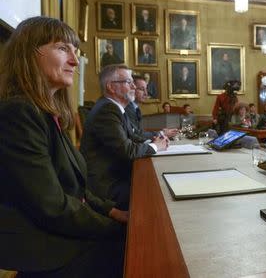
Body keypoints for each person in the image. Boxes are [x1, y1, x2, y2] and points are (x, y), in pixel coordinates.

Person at [0, 16, 127, 277]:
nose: (74, 60)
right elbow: (52, 206)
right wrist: (118, 228)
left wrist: (112, 211)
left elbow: (74, 187)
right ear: (29, 53)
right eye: (62, 48)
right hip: (45, 248)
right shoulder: (19, 112)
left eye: (75, 51)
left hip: (61, 232)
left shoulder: (46, 112)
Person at [80, 64, 169, 210]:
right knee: (155, 192)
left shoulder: (115, 107)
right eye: (128, 82)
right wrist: (155, 146)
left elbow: (133, 136)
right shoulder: (107, 110)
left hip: (116, 175)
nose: (134, 86)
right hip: (107, 185)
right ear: (111, 87)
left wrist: (153, 139)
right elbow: (127, 150)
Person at [125, 75, 178, 140]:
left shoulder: (136, 108)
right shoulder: (127, 108)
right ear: (131, 89)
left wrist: (162, 131)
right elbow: (136, 134)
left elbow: (141, 130)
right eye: (142, 89)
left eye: (146, 89)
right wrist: (161, 133)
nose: (146, 93)